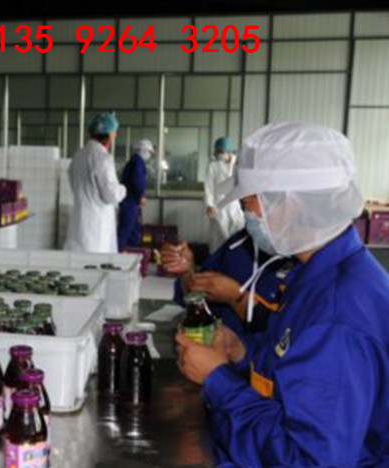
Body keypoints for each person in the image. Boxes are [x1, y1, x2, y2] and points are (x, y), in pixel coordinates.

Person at [176, 122, 389, 466]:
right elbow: (291, 372)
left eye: (249, 202)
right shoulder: (317, 273)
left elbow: (305, 459)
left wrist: (219, 381)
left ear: (288, 204)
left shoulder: (336, 318)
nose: (246, 213)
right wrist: (240, 351)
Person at [161, 229, 296, 338]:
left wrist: (236, 297)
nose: (247, 212)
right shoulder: (239, 243)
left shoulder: (301, 263)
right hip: (214, 354)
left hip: (256, 361)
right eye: (244, 206)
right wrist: (187, 273)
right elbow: (197, 296)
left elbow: (282, 331)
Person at [64, 113, 127, 253]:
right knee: (94, 263)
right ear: (111, 135)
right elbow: (111, 195)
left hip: (79, 223)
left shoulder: (78, 155)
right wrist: (123, 189)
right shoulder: (103, 158)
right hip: (97, 227)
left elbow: (73, 183)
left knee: (77, 261)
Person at [205, 137, 244, 253]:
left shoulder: (238, 163)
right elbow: (209, 187)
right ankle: (216, 261)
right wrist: (209, 205)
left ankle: (234, 260)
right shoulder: (213, 166)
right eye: (217, 151)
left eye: (221, 151)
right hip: (218, 207)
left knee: (237, 234)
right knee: (218, 239)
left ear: (229, 150)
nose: (219, 154)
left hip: (234, 205)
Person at [117, 139, 153, 251]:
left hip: (130, 201)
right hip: (130, 202)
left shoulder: (133, 161)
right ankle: (118, 253)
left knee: (132, 231)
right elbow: (138, 182)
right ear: (144, 151)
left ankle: (131, 253)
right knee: (126, 231)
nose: (149, 155)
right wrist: (140, 196)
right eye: (149, 152)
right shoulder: (138, 162)